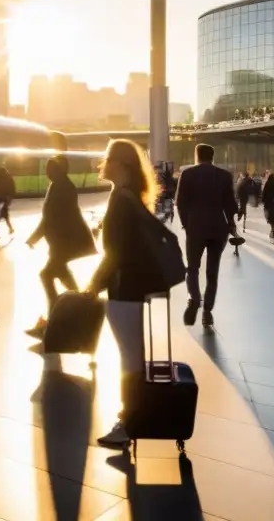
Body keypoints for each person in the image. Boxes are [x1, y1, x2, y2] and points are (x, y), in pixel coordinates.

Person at [87, 139, 165, 449]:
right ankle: (131, 415)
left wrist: (94, 283)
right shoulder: (128, 196)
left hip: (124, 286)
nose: (102, 162)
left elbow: (116, 253)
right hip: (131, 285)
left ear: (119, 164)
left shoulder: (121, 198)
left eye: (107, 157)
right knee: (132, 356)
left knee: (130, 359)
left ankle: (129, 422)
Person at [25, 156, 96, 338]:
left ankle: (58, 317)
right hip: (63, 243)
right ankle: (80, 311)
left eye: (51, 168)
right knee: (63, 277)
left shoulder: (61, 187)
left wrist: (34, 238)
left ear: (59, 170)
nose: (47, 172)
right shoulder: (61, 184)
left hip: (65, 243)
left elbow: (51, 218)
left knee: (47, 275)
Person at [174, 144, 237, 327]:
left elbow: (181, 203)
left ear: (197, 156)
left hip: (195, 228)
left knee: (192, 268)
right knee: (212, 272)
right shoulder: (225, 176)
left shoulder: (187, 174)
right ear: (212, 156)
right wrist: (230, 222)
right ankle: (207, 312)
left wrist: (187, 224)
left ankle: (194, 298)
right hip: (218, 229)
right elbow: (231, 206)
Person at [0, 165, 16, 235]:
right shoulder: (9, 178)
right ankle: (10, 228)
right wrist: (10, 198)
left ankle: (0, 220)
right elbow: (13, 189)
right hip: (6, 199)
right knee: (5, 214)